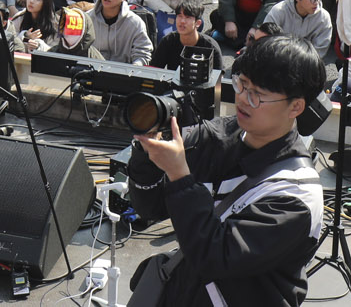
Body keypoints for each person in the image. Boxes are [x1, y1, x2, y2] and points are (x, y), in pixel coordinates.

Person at [125, 35, 326, 307]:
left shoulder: (296, 195)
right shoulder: (220, 135)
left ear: (296, 106)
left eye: (258, 95)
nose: (243, 99)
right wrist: (146, 153)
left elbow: (215, 256)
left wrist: (179, 176)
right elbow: (149, 208)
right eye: (242, 83)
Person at [85, 0, 153, 64]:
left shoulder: (135, 23)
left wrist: (135, 68)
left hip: (123, 73)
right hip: (92, 71)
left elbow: (143, 54)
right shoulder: (87, 19)